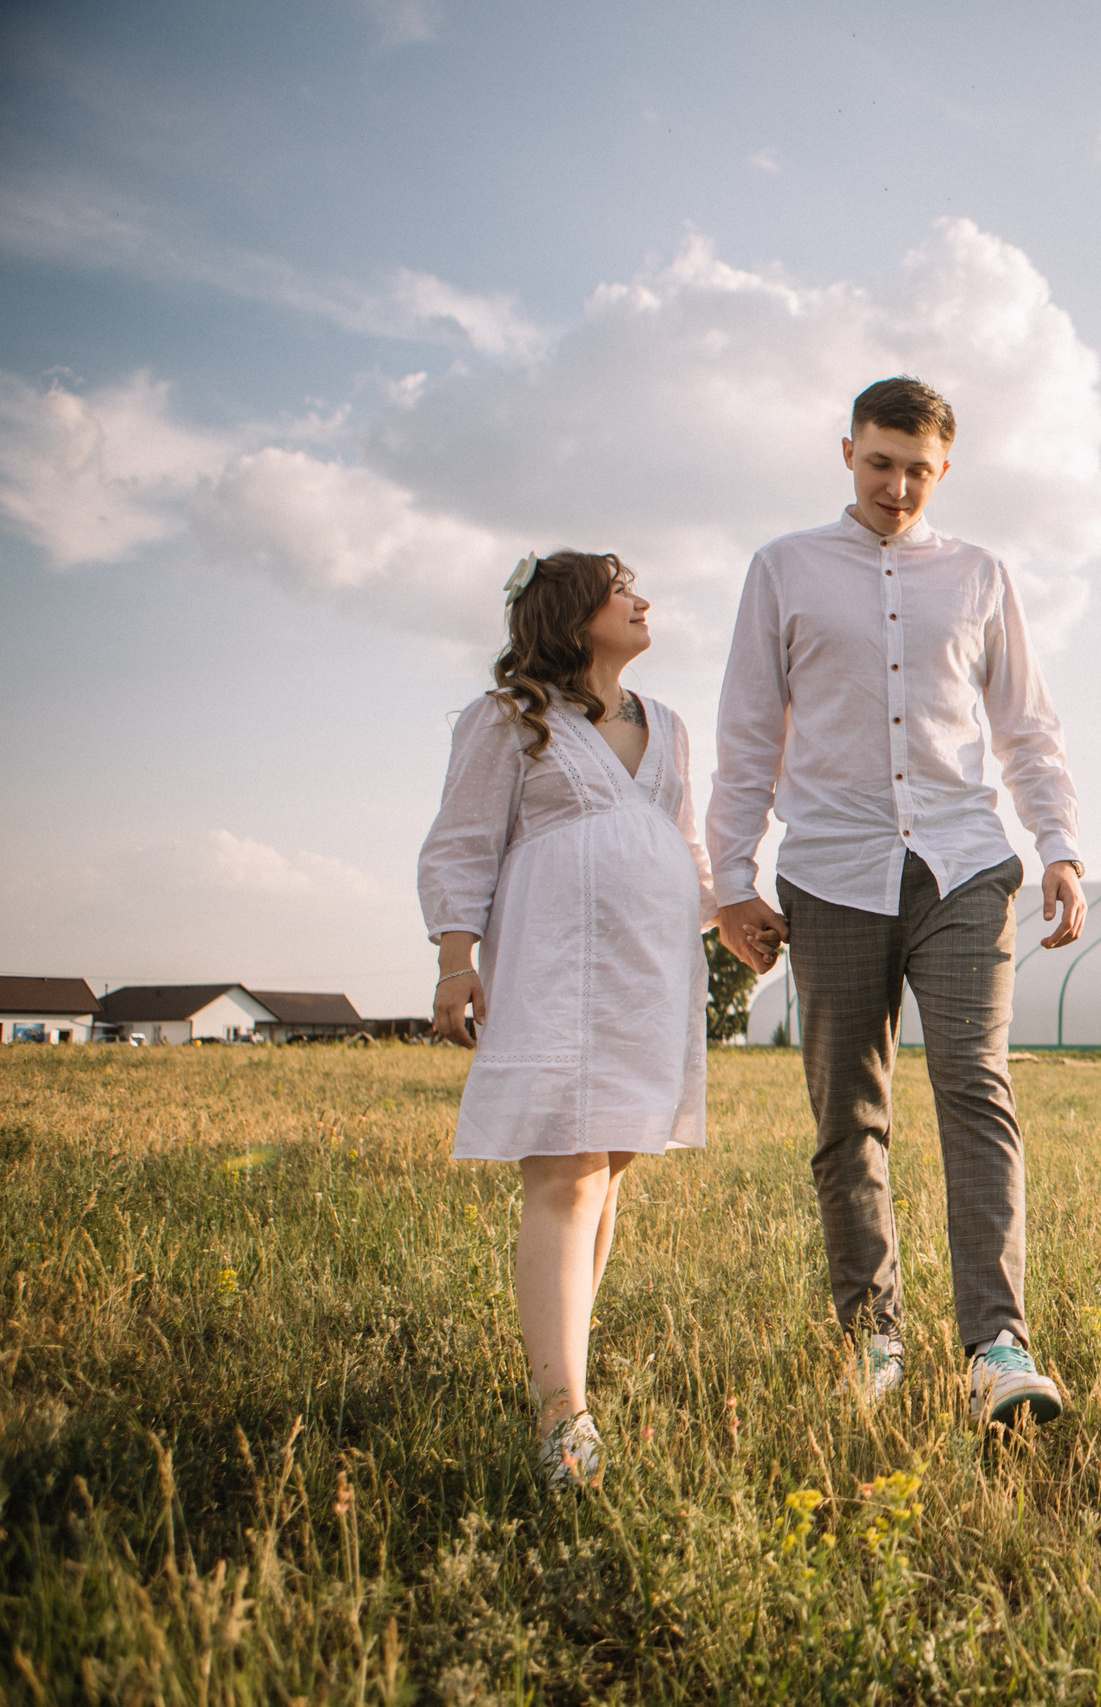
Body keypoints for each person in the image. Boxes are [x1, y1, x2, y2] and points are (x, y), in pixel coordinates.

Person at [710, 375, 1086, 1431]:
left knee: (976, 1088)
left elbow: (1026, 726)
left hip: (964, 864)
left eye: (919, 470)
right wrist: (730, 882)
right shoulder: (783, 569)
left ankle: (997, 1348)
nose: (898, 486)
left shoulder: (979, 575)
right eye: (880, 463)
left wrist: (1059, 846)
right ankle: (871, 1338)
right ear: (847, 453)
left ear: (945, 469)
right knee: (848, 1113)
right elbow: (747, 732)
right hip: (831, 870)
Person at [418, 551, 715, 1489]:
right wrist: (456, 959)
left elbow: (688, 851)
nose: (643, 600)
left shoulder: (667, 725)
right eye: (622, 590)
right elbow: (463, 839)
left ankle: (565, 1376)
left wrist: (738, 917)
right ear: (574, 612)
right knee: (566, 1171)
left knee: (607, 1173)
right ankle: (563, 1419)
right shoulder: (512, 715)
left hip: (647, 972)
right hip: (558, 965)